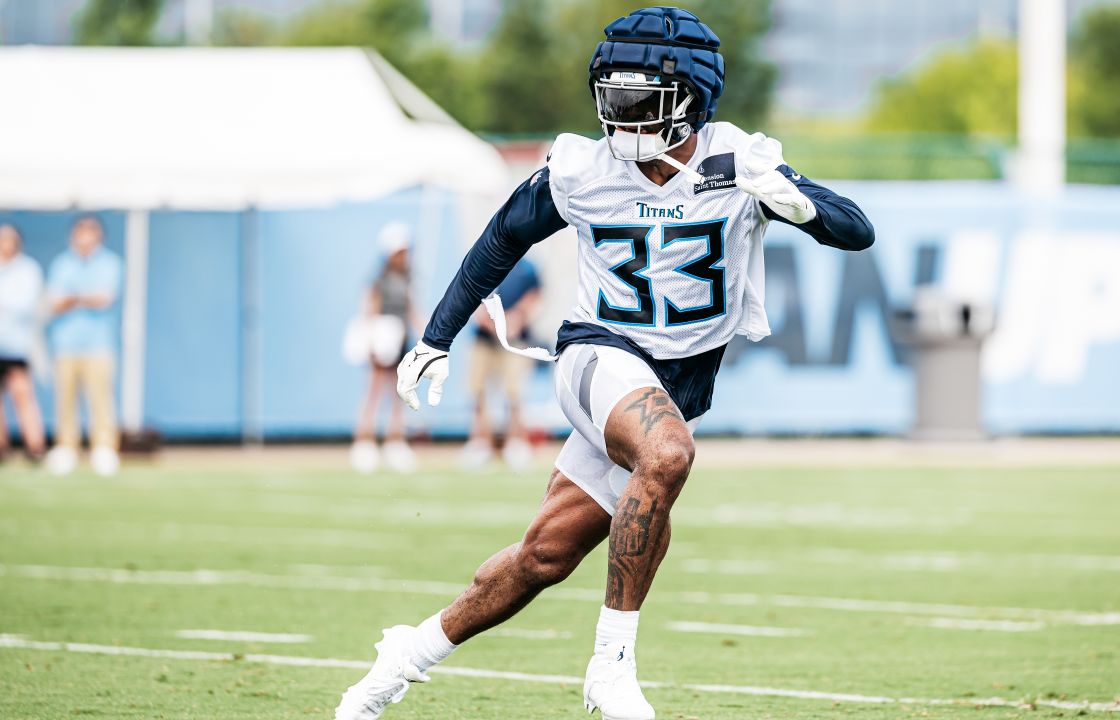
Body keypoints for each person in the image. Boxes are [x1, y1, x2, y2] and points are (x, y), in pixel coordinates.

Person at [335, 7, 874, 720]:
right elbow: (498, 242)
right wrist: (436, 337)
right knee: (669, 454)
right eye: (612, 99)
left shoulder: (734, 160)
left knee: (542, 558)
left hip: (674, 380)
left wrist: (795, 202)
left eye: (639, 102)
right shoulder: (583, 169)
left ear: (691, 103)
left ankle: (402, 658)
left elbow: (856, 231)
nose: (620, 119)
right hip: (598, 353)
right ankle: (611, 668)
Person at [44, 215, 123, 477]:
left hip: (98, 343)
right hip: (66, 343)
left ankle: (103, 448)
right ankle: (67, 447)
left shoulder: (110, 263)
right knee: (65, 398)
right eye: (81, 232)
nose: (85, 238)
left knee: (100, 398)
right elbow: (54, 301)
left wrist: (74, 297)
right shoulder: (62, 263)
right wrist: (79, 298)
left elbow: (104, 298)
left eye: (90, 233)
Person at [459, 257, 542, 471]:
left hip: (516, 338)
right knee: (478, 391)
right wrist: (492, 323)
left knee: (514, 392)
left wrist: (517, 319)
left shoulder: (527, 267)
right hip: (483, 338)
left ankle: (515, 443)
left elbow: (534, 296)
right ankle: (480, 442)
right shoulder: (483, 259)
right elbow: (472, 293)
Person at [350, 222, 420, 474]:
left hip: (401, 341)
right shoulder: (379, 280)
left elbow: (412, 310)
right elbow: (369, 309)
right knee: (374, 391)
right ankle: (364, 442)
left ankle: (395, 442)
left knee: (398, 393)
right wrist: (370, 342)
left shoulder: (407, 278)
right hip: (381, 342)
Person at [0, 224, 47, 464]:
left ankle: (35, 447)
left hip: (16, 344)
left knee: (22, 395)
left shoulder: (28, 270)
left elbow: (27, 304)